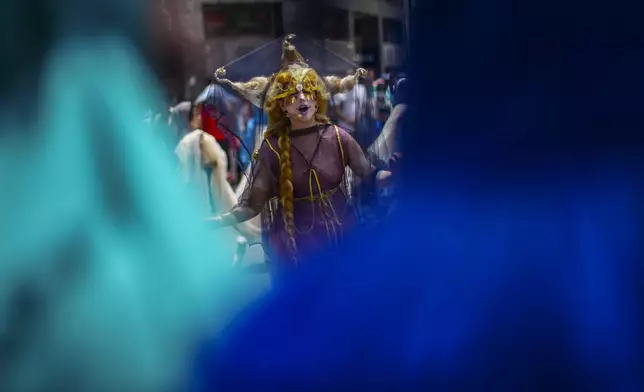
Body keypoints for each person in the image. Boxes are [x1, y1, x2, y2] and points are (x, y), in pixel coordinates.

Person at [207, 35, 393, 280]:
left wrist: (401, 174)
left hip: (342, 241)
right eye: (292, 95)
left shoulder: (339, 137)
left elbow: (369, 176)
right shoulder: (272, 149)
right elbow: (251, 205)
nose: (302, 98)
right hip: (295, 251)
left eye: (308, 92)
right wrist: (217, 221)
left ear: (317, 101)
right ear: (282, 106)